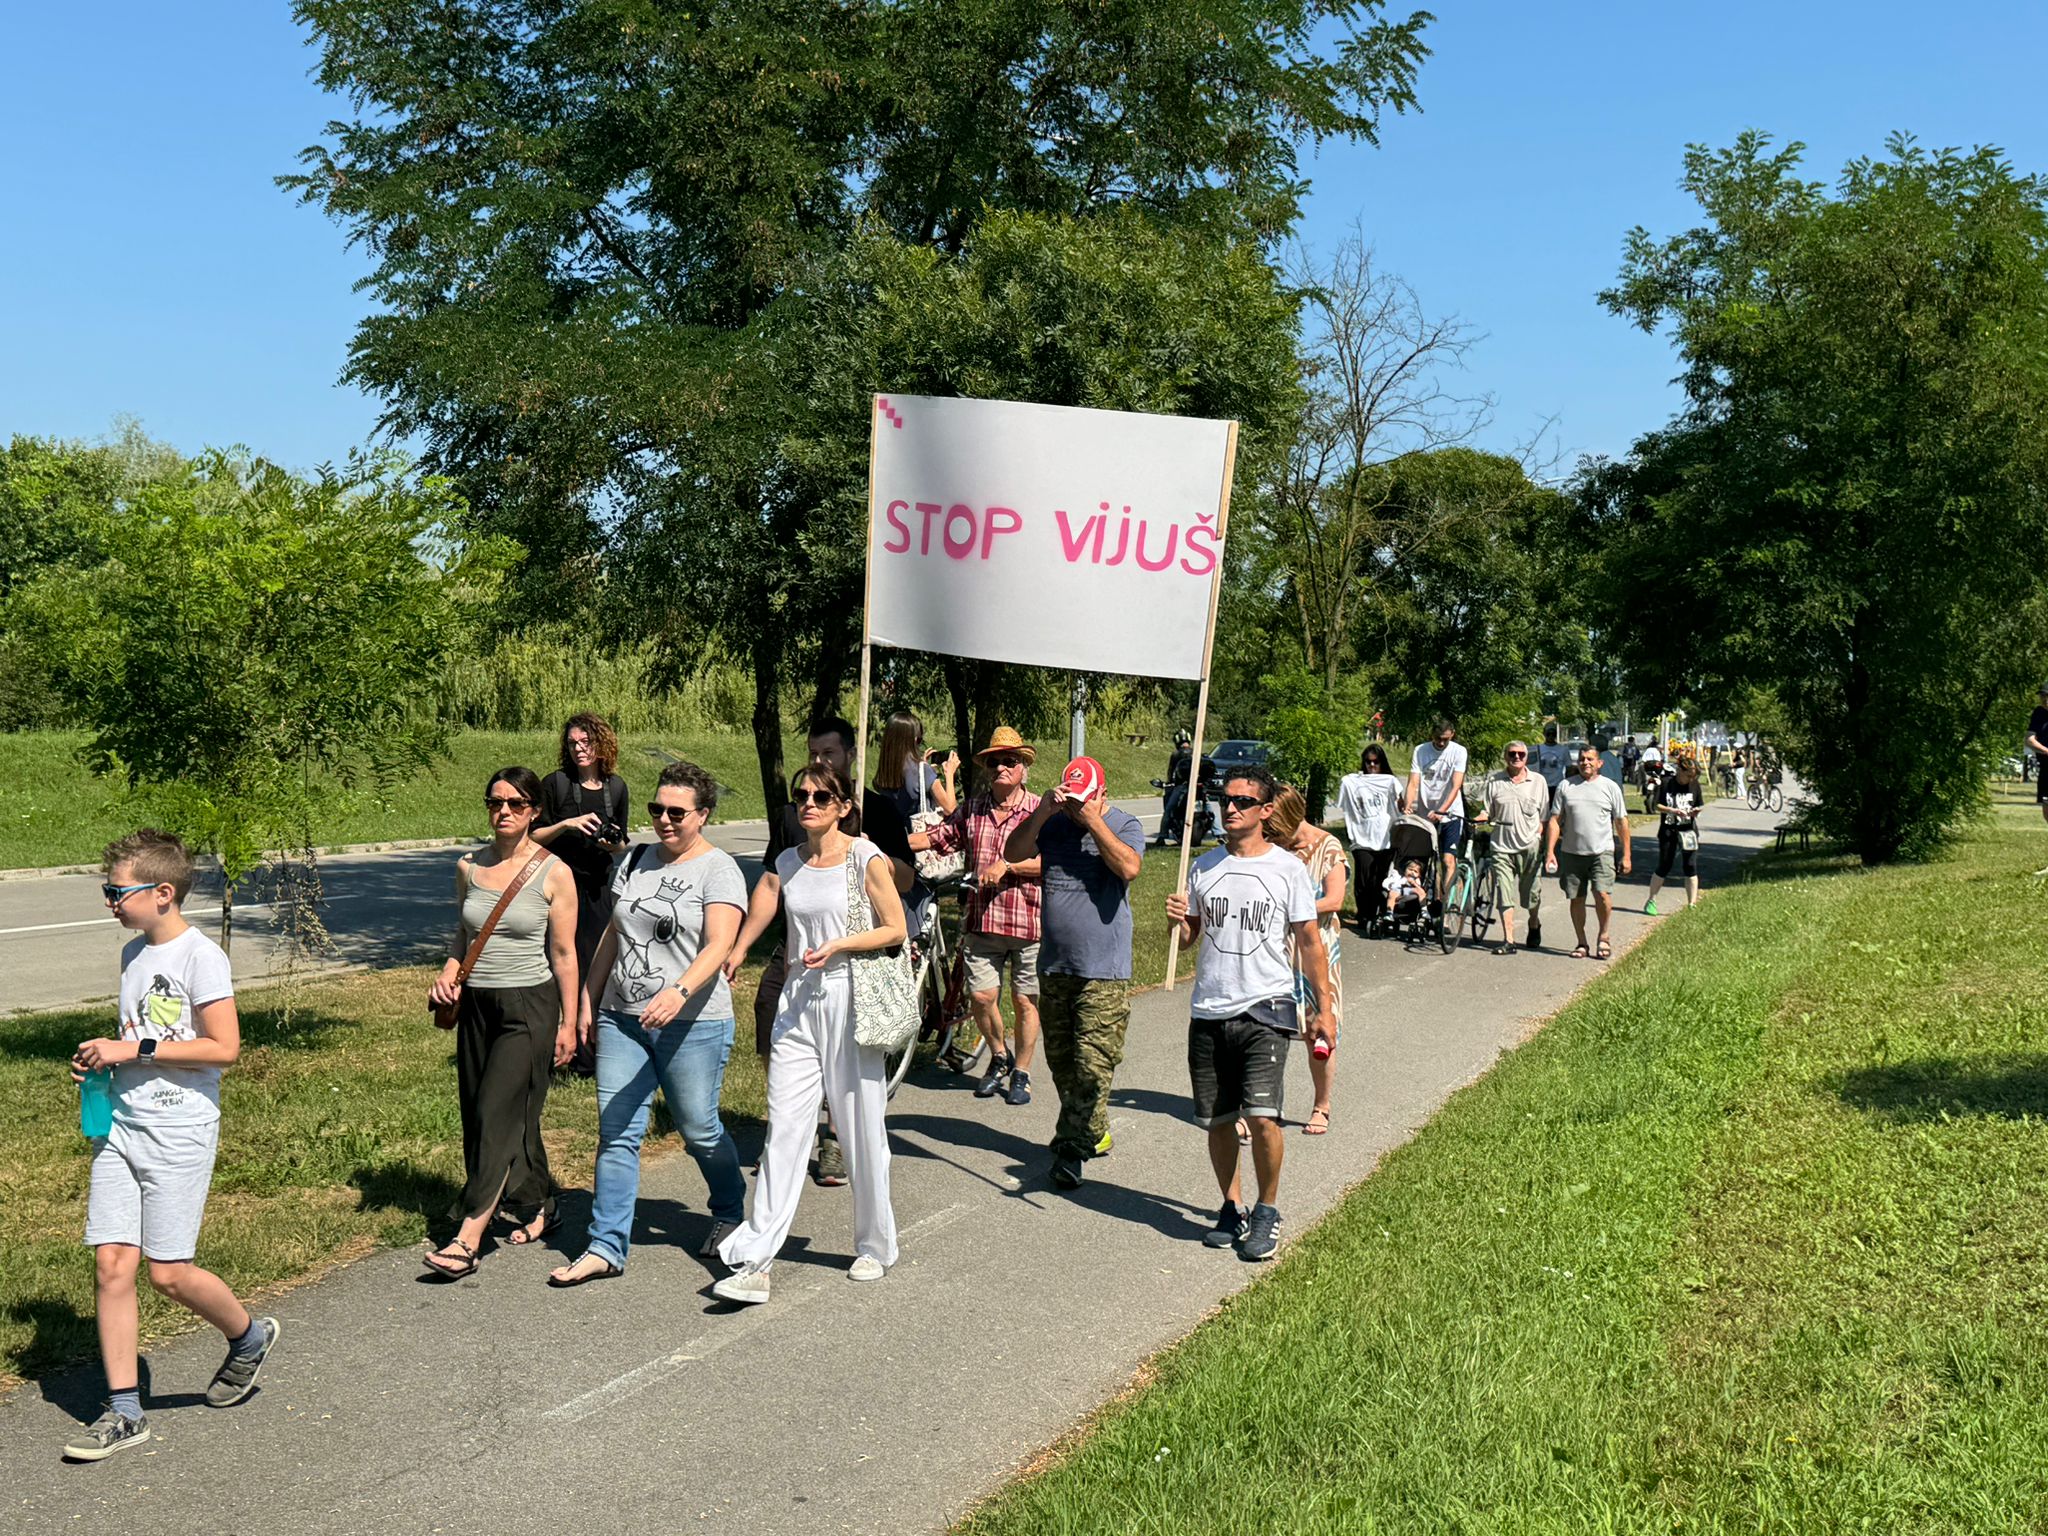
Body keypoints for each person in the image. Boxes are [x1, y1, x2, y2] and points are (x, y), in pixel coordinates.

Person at [61, 830, 282, 1462]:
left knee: (169, 1273)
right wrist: (105, 1060)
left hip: (180, 1130)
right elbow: (142, 1032)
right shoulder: (133, 953)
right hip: (122, 1125)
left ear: (162, 893)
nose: (110, 901)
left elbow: (224, 1048)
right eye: (107, 890)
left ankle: (246, 1336)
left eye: (117, 891)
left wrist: (135, 1048)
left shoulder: (200, 957)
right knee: (111, 1264)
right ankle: (126, 1411)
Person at [548, 761, 748, 1287]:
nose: (663, 819)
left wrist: (679, 992)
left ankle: (730, 1212)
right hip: (622, 1019)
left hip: (694, 1023)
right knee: (616, 1133)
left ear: (702, 815)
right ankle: (605, 1245)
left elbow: (720, 945)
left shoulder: (719, 869)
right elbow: (615, 935)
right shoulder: (634, 860)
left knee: (699, 1130)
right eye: (657, 809)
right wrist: (589, 999)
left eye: (676, 812)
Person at [712, 764, 905, 1304]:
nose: (810, 803)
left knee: (858, 1124)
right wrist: (741, 946)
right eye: (802, 795)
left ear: (844, 805)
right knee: (785, 1129)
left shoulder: (865, 857)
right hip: (798, 1000)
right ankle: (758, 1258)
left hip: (848, 995)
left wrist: (841, 944)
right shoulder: (787, 861)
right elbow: (767, 900)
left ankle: (874, 1244)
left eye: (823, 796)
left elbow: (896, 928)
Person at [1164, 765, 1334, 1263]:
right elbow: (1193, 937)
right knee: (1217, 1121)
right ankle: (1230, 1207)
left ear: (1264, 810)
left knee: (1262, 1118)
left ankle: (1267, 1210)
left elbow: (1309, 941)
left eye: (1241, 801)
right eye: (1225, 799)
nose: (1230, 808)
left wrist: (1322, 1009)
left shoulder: (1287, 870)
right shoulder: (1203, 867)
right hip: (1210, 1007)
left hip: (1268, 1006)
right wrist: (1179, 921)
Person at [739, 716, 915, 1186]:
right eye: (813, 754)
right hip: (799, 951)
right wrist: (740, 946)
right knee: (766, 1014)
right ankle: (788, 1130)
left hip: (852, 959)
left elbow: (905, 880)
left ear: (850, 755)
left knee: (850, 1075)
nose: (818, 764)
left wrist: (863, 852)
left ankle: (835, 1137)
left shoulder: (875, 811)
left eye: (829, 755)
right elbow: (773, 883)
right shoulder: (791, 816)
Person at [424, 768, 580, 1277]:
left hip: (529, 1007)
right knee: (485, 1112)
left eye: (516, 803)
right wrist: (449, 972)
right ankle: (540, 1203)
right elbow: (461, 935)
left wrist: (569, 1022)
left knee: (497, 1111)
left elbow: (564, 955)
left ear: (535, 810)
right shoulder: (468, 867)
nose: (504, 811)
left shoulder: (553, 872)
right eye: (495, 802)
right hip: (476, 1004)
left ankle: (467, 1239)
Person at [1004, 755, 1146, 1188]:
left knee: (1092, 1066)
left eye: (1084, 800)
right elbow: (1013, 852)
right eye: (1070, 799)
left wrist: (1093, 822)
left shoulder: (1123, 825)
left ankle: (1069, 1152)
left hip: (1104, 968)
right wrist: (1045, 811)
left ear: (1102, 794)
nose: (1075, 808)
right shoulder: (1055, 820)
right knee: (1064, 1064)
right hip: (1055, 963)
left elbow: (1129, 868)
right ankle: (1094, 1131)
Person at [908, 726, 1043, 1104]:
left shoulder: (1038, 811)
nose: (1002, 767)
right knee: (982, 997)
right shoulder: (972, 809)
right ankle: (1000, 1056)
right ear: (986, 769)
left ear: (1022, 768)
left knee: (1025, 1001)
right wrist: (882, 842)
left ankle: (1023, 1073)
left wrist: (1009, 866)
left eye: (1010, 761)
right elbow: (937, 838)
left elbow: (1053, 863)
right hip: (981, 920)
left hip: (1027, 920)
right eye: (995, 761)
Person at [1267, 786, 1346, 1136]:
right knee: (1271, 1028)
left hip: (1317, 949)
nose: (1269, 834)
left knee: (1319, 1029)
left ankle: (1322, 1105)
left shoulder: (1327, 846)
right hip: (1278, 948)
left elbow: (1334, 900)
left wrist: (1295, 906)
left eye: (1274, 826)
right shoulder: (1274, 848)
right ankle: (1266, 1106)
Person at [534, 714, 631, 991]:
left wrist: (612, 844)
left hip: (597, 886)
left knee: (595, 956)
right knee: (559, 954)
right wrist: (566, 824)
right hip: (560, 885)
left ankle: (589, 1020)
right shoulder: (556, 783)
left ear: (601, 744)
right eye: (572, 743)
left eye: (585, 742)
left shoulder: (617, 787)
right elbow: (533, 836)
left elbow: (622, 842)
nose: (578, 748)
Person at [1543, 746, 1632, 961]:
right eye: (1582, 759)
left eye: (1590, 759)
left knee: (1602, 894)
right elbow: (1555, 821)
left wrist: (1627, 854)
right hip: (1572, 853)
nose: (1586, 763)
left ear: (1599, 763)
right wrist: (1550, 852)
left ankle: (1603, 935)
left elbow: (1621, 822)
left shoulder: (1610, 788)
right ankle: (1581, 941)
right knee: (1576, 898)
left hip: (1602, 851)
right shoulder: (1566, 786)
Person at [1480, 741, 1548, 954]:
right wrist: (1477, 819)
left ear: (1526, 758)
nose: (1516, 757)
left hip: (1529, 847)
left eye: (1521, 754)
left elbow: (1544, 817)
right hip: (1501, 847)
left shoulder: (1538, 781)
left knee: (1531, 897)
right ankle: (1508, 939)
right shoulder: (1495, 781)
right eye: (1512, 753)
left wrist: (1539, 837)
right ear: (1505, 756)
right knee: (1504, 893)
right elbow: (1487, 812)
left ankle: (1534, 923)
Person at [1335, 744, 1403, 932]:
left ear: (1382, 762)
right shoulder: (1351, 782)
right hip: (1361, 838)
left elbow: (1400, 802)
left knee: (1381, 878)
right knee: (1364, 877)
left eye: (1376, 762)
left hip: (1385, 839)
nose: (1372, 766)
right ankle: (1364, 914)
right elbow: (1342, 802)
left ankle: (1379, 914)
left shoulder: (1390, 781)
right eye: (1368, 762)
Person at [1404, 718, 1468, 899]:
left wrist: (1442, 810)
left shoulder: (1459, 752)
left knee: (1448, 860)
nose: (1441, 743)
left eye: (1445, 739)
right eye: (1438, 738)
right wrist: (1408, 805)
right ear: (1431, 734)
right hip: (1426, 814)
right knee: (1426, 861)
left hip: (1450, 813)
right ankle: (1427, 899)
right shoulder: (1420, 751)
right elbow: (1413, 782)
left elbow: (1456, 786)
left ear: (1452, 735)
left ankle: (1445, 907)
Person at [1645, 753, 1706, 914]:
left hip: (1688, 830)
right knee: (1665, 864)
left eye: (1693, 777)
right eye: (1688, 776)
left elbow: (1699, 804)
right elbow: (1657, 805)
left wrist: (1695, 811)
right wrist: (1673, 810)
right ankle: (1651, 899)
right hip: (1669, 830)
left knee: (1690, 865)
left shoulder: (1694, 785)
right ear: (1680, 770)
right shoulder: (1666, 784)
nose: (1690, 779)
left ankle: (1692, 903)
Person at [872, 710, 959, 823]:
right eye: (919, 740)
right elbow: (950, 809)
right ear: (913, 740)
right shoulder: (923, 771)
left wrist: (921, 764)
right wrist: (949, 773)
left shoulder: (884, 772)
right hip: (919, 838)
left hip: (894, 836)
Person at [2028, 686, 2048, 835]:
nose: (2045, 700)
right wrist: (2047, 751)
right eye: (2043, 696)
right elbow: (2029, 740)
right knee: (2046, 807)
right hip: (2046, 767)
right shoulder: (2039, 713)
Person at [1534, 724, 1571, 791]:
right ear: (1544, 734)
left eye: (1553, 734)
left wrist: (1567, 785)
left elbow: (1569, 768)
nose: (1551, 736)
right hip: (1541, 785)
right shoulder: (1537, 749)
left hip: (1558, 785)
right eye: (1548, 733)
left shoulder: (1563, 749)